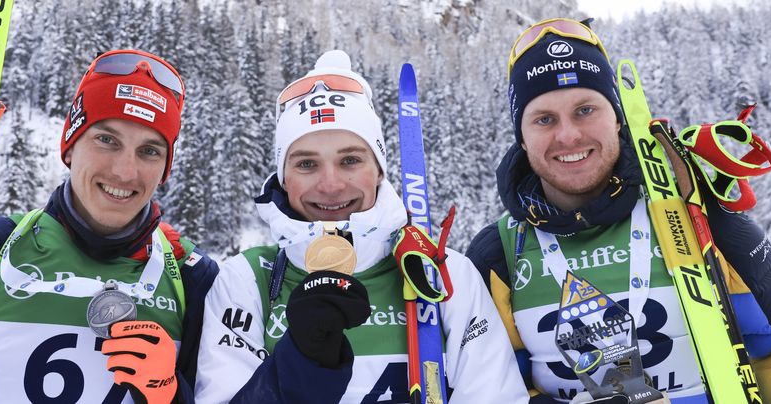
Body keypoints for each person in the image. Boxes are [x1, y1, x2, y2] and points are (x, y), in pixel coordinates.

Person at [465, 18, 771, 403]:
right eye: (544, 119)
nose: (568, 135)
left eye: (585, 110)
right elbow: (488, 388)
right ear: (522, 136)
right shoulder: (497, 256)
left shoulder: (696, 212)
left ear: (617, 117)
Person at [0, 49, 219, 403]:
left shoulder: (191, 276)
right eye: (106, 140)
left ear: (165, 169)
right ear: (70, 147)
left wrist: (170, 395)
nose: (124, 171)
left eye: (150, 151)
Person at [194, 50, 529, 403]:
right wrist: (297, 362)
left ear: (379, 170)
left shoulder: (445, 275)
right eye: (307, 164)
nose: (331, 184)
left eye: (350, 160)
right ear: (283, 177)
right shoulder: (247, 280)